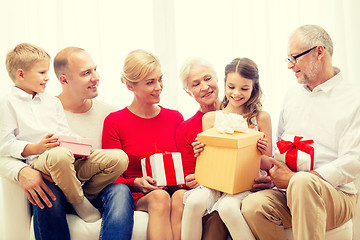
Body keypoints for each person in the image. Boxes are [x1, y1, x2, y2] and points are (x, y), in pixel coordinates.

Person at [241, 24, 360, 240]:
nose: (290, 66)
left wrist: (297, 178)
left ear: (319, 52)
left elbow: (354, 160)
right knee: (253, 205)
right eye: (288, 59)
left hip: (336, 195)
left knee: (303, 183)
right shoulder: (291, 96)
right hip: (290, 192)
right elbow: (280, 145)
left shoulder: (353, 99)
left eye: (294, 58)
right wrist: (275, 174)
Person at [180, 57, 272, 240]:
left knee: (227, 208)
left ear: (254, 87)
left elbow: (269, 164)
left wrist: (258, 152)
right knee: (193, 202)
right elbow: (209, 162)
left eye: (244, 88)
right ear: (224, 84)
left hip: (245, 182)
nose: (236, 93)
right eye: (231, 87)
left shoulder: (261, 118)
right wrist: (201, 152)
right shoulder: (210, 119)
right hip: (216, 181)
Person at [102, 49, 184, 240]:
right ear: (130, 86)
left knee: (180, 197)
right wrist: (136, 183)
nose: (159, 87)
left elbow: (184, 162)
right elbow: (111, 176)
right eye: (150, 82)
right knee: (160, 197)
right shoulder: (115, 121)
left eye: (160, 79)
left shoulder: (175, 118)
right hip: (140, 195)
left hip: (174, 190)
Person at [54, 47, 134, 240]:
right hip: (61, 188)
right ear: (64, 80)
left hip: (97, 190)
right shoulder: (46, 111)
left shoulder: (109, 113)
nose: (96, 77)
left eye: (95, 69)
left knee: (121, 191)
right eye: (86, 73)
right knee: (49, 194)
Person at [175, 57, 228, 240]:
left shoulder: (240, 112)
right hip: (208, 190)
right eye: (196, 84)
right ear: (188, 92)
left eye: (208, 79)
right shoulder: (185, 128)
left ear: (217, 79)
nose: (205, 87)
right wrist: (192, 179)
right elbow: (190, 173)